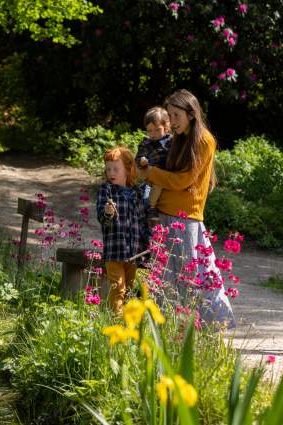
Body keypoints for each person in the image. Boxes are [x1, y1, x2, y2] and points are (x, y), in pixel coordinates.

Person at [137, 89, 234, 327]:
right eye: (169, 115)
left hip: (185, 217)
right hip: (164, 214)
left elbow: (183, 180)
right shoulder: (177, 139)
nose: (171, 121)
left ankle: (209, 328)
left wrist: (151, 173)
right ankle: (165, 329)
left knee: (194, 278)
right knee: (164, 278)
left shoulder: (203, 140)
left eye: (176, 115)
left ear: (191, 113)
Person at [96, 146, 147, 315]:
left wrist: (146, 244)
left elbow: (141, 220)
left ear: (127, 169)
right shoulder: (106, 190)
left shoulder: (136, 192)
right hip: (115, 250)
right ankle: (116, 322)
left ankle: (129, 324)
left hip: (133, 251)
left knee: (131, 288)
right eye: (108, 168)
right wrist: (108, 212)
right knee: (118, 288)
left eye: (115, 169)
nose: (111, 172)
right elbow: (102, 217)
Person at [136, 106, 172, 229]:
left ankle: (151, 209)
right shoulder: (146, 143)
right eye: (150, 131)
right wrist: (142, 161)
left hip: (165, 176)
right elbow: (138, 158)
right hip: (150, 175)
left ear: (166, 127)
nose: (153, 134)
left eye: (157, 130)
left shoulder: (171, 142)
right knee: (146, 195)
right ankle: (148, 212)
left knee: (154, 193)